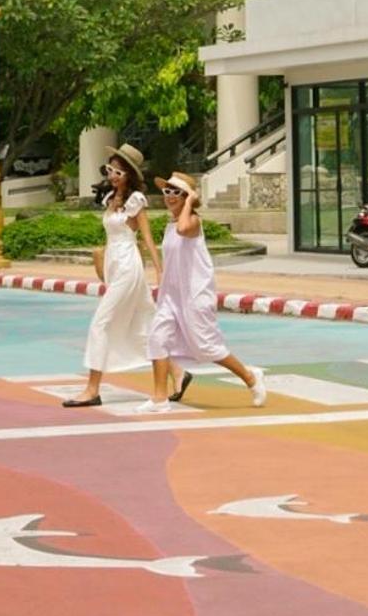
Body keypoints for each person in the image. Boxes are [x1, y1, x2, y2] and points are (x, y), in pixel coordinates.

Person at [139, 172, 265, 415]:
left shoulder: (192, 221)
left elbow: (185, 228)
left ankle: (250, 377)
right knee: (156, 339)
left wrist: (189, 204)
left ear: (188, 197)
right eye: (167, 191)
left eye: (177, 192)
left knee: (206, 347)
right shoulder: (170, 224)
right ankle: (158, 398)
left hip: (195, 295)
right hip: (171, 296)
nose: (170, 197)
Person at [63, 145, 169, 408]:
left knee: (101, 323)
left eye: (118, 172)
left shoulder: (135, 201)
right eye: (110, 170)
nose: (112, 176)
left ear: (129, 175)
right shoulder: (110, 198)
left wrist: (160, 270)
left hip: (128, 264)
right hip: (114, 262)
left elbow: (146, 237)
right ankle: (178, 373)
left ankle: (92, 388)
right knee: (145, 320)